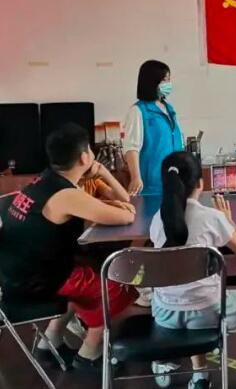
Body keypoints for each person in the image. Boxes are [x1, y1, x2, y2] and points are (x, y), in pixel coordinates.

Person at [0, 123, 140, 370]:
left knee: (87, 273)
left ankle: (50, 342)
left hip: (14, 277)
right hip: (36, 284)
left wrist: (111, 205)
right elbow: (127, 216)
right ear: (85, 157)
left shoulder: (43, 181)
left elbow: (102, 208)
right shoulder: (66, 195)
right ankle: (89, 353)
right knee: (117, 285)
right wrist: (117, 203)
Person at [149, 152, 236, 389]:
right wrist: (228, 219)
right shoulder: (212, 217)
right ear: (200, 184)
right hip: (208, 312)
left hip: (165, 313)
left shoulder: (157, 220)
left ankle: (200, 377)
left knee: (190, 293)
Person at [123, 60, 184, 197]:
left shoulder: (169, 109)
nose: (168, 84)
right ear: (152, 82)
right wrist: (136, 177)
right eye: (164, 80)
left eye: (169, 79)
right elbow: (131, 147)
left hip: (174, 181)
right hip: (152, 183)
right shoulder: (138, 111)